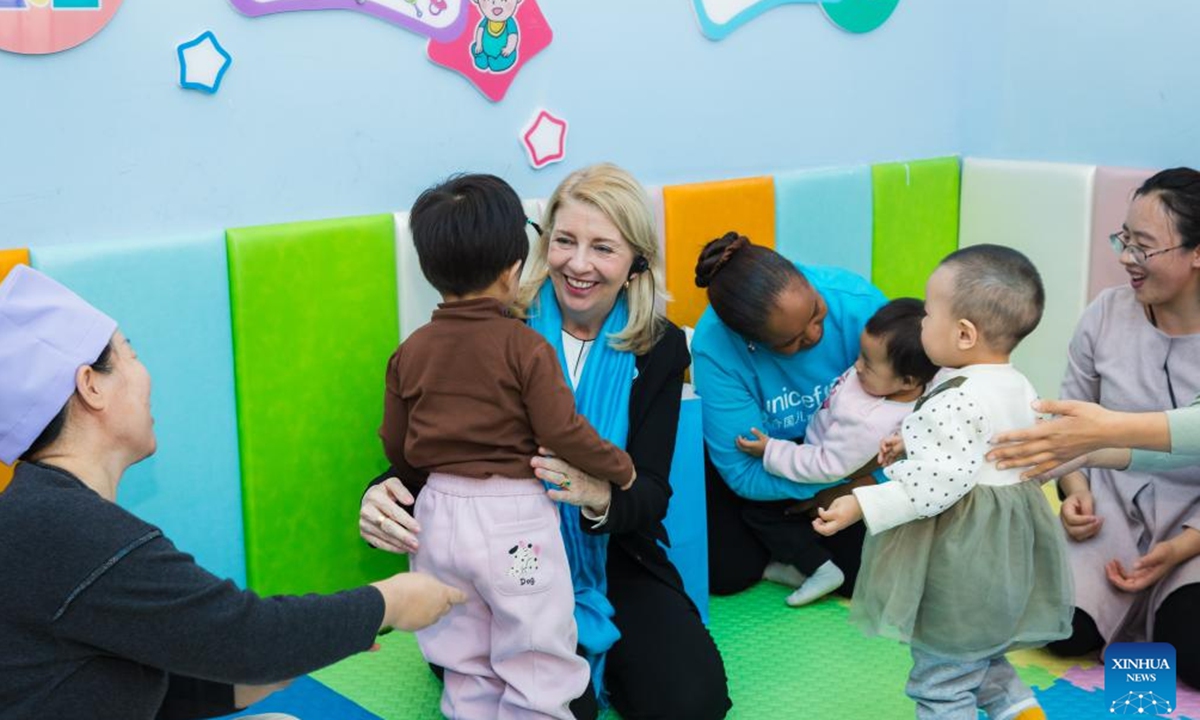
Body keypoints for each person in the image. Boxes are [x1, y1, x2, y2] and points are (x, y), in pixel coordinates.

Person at [0, 265, 465, 720]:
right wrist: (392, 601)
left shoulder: (39, 513)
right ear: (90, 386)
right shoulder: (73, 530)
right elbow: (247, 635)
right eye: (131, 354)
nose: (146, 376)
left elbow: (118, 687)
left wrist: (277, 667)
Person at [361, 163, 730, 719]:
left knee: (688, 702)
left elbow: (650, 492)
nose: (577, 264)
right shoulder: (494, 322)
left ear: (636, 262)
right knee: (536, 689)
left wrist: (599, 493)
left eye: (603, 247)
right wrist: (380, 492)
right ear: (538, 246)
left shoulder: (658, 347)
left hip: (610, 555)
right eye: (564, 241)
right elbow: (435, 452)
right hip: (492, 565)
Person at [379, 173, 637, 720]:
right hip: (513, 525)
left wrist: (420, 480)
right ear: (514, 270)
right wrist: (619, 468)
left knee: (463, 650)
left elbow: (397, 445)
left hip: (437, 523)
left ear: (430, 270)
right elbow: (562, 432)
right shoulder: (524, 345)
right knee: (537, 645)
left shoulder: (411, 351)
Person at [812, 245, 1071, 720]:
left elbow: (937, 483)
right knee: (981, 654)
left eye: (929, 315)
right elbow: (979, 448)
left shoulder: (957, 397)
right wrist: (908, 443)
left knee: (941, 678)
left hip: (963, 555)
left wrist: (859, 504)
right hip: (1007, 554)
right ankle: (1022, 711)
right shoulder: (1018, 384)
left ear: (965, 334)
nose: (922, 323)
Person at [994, 168, 1200, 687]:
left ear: (1197, 253)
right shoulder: (1105, 314)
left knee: (1193, 655)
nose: (1126, 258)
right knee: (1061, 632)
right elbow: (1069, 423)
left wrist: (1182, 547)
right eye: (1124, 240)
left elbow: (1097, 432)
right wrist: (1075, 490)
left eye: (1144, 247)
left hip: (1195, 523)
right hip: (1113, 507)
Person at [690, 232, 887, 597]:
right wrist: (826, 481)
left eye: (816, 312)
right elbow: (743, 472)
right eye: (790, 342)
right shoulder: (715, 346)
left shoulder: (854, 301)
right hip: (773, 466)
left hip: (852, 454)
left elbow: (923, 409)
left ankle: (795, 552)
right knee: (726, 573)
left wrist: (859, 484)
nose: (814, 334)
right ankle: (775, 555)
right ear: (751, 341)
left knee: (866, 577)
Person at [734, 297, 937, 606]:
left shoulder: (866, 423)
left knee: (761, 511)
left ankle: (817, 568)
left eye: (867, 364)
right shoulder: (899, 382)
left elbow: (825, 466)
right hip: (831, 456)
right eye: (860, 354)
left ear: (908, 380)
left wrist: (770, 451)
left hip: (820, 462)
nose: (856, 366)